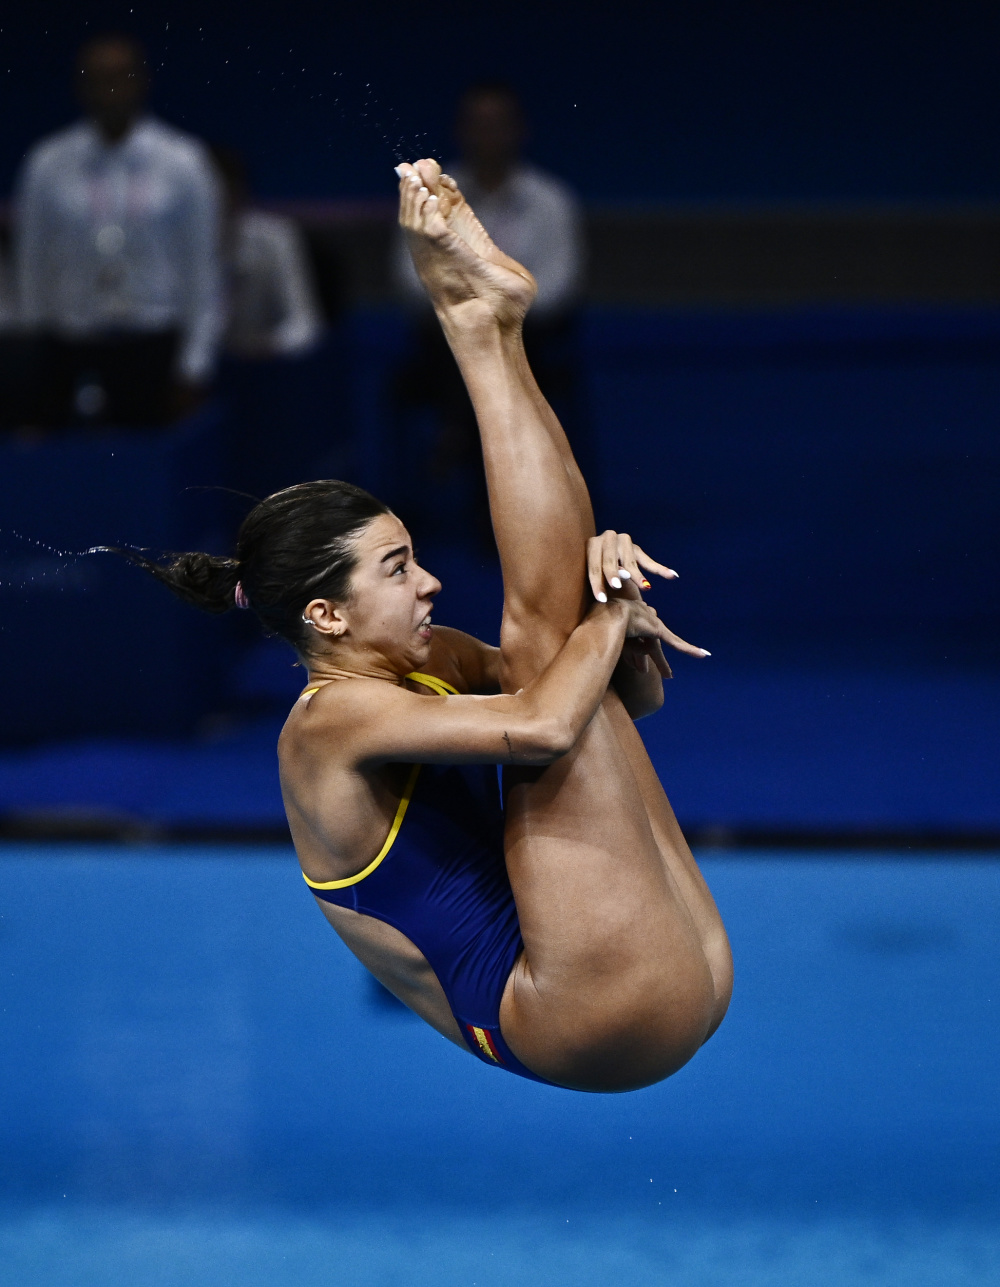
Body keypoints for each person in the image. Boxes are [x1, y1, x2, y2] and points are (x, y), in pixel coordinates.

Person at [114, 161, 731, 1091]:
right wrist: (605, 618)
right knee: (553, 638)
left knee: (556, 634)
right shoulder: (327, 727)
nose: (433, 583)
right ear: (325, 614)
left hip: (668, 967)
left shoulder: (421, 659)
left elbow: (620, 700)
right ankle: (481, 331)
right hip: (578, 1015)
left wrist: (620, 621)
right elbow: (544, 722)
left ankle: (487, 329)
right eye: (398, 570)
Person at [392, 84, 584, 526]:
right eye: (478, 125)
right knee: (459, 335)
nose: (488, 135)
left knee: (495, 340)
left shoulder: (550, 200)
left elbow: (559, 285)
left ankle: (457, 434)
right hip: (449, 337)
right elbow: (407, 278)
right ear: (461, 132)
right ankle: (496, 503)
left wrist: (497, 306)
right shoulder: (425, 195)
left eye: (498, 124)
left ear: (519, 131)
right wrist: (476, 306)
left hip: (528, 337)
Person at [12, 34, 223, 426]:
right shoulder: (47, 164)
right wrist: (34, 353)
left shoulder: (183, 161)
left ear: (142, 80)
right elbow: (31, 265)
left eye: (120, 75)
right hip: (69, 345)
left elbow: (202, 269)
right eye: (98, 77)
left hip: (152, 344)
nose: (110, 88)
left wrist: (195, 363)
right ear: (81, 85)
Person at [211, 146, 323, 360]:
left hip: (264, 368)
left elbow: (305, 324)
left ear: (240, 191)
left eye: (227, 191)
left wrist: (268, 344)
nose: (219, 202)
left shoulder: (276, 238)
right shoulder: (175, 243)